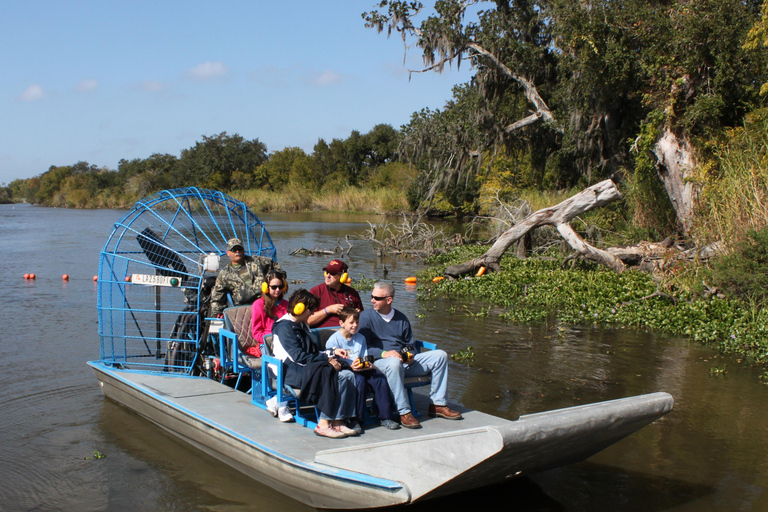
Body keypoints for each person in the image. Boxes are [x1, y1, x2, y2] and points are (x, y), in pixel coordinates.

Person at [358, 281, 463, 429]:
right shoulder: (365, 317)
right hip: (379, 363)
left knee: (440, 355)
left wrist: (409, 355)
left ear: (389, 300)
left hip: (402, 362)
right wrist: (384, 353)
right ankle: (404, 412)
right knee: (394, 362)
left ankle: (437, 405)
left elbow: (410, 344)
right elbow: (362, 347)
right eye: (372, 296)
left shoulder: (401, 318)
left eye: (377, 298)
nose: (372, 300)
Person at [271, 289, 359, 438]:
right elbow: (298, 357)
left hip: (306, 367)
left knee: (347, 374)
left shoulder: (302, 325)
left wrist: (332, 352)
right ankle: (323, 423)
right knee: (331, 374)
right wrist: (326, 360)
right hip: (289, 372)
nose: (312, 314)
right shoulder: (284, 328)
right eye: (310, 310)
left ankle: (338, 421)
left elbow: (312, 353)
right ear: (300, 309)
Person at [325, 307, 401, 431]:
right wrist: (350, 367)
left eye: (357, 322)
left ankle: (385, 416)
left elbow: (365, 357)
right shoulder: (334, 340)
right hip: (345, 370)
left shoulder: (360, 338)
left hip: (360, 368)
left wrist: (368, 364)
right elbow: (333, 362)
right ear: (341, 323)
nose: (355, 325)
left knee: (379, 378)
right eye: (351, 323)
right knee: (359, 381)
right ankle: (356, 419)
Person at [210, 238, 284, 317]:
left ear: (243, 250)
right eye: (234, 249)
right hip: (242, 309)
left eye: (239, 249)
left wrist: (278, 279)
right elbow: (217, 296)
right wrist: (218, 314)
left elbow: (277, 268)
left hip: (265, 304)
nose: (237, 251)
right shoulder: (224, 273)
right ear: (228, 253)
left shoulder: (257, 261)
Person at [308, 259, 364, 328]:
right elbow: (307, 321)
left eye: (332, 273)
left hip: (347, 334)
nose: (328, 276)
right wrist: (328, 310)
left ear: (343, 276)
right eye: (327, 272)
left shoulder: (353, 293)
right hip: (322, 334)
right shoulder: (316, 291)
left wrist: (357, 315)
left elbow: (363, 321)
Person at [250, 270, 289, 351]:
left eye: (280, 287)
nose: (278, 290)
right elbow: (257, 332)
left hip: (285, 341)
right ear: (266, 287)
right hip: (266, 343)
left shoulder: (287, 304)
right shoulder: (258, 305)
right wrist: (272, 338)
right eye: (274, 287)